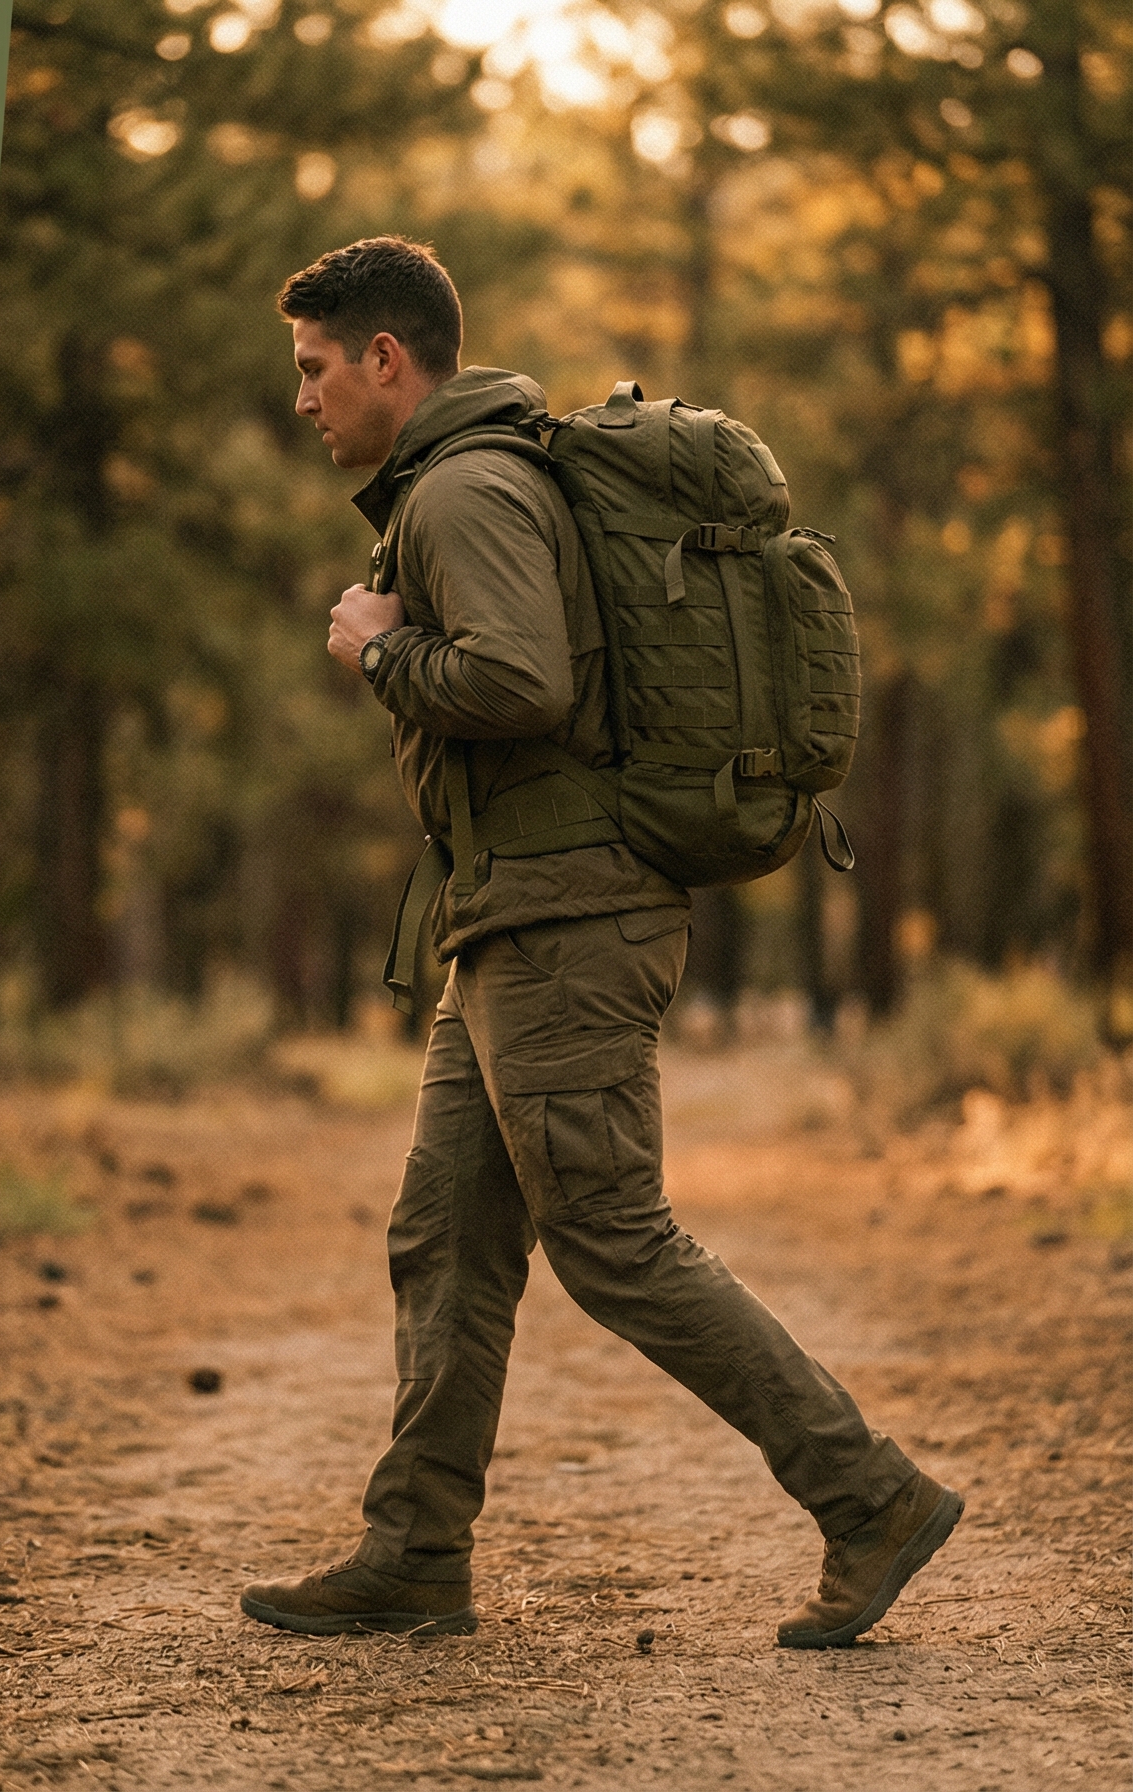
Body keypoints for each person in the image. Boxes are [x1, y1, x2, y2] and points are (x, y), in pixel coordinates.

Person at [237, 237, 960, 1650]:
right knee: (446, 1239)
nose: (306, 401)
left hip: (569, 916)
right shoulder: (471, 479)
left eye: (317, 371)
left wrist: (377, 651)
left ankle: (867, 1496)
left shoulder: (463, 492)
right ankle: (415, 1553)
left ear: (390, 359)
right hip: (511, 919)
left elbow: (519, 677)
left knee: (616, 1238)